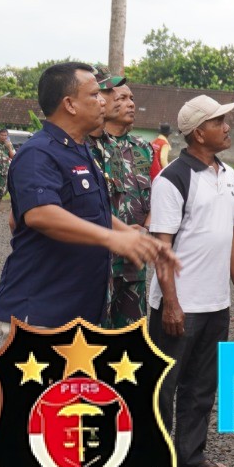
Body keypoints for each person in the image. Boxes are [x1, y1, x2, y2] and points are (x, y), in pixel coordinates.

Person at [0, 62, 174, 467]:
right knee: (12, 411)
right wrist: (111, 239)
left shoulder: (80, 151)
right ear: (69, 103)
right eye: (95, 93)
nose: (105, 100)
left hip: (77, 309)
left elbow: (96, 213)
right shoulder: (38, 154)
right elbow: (40, 214)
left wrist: (134, 235)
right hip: (39, 305)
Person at [148, 95, 234, 467]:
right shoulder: (172, 178)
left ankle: (190, 457)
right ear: (197, 132)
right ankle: (155, 464)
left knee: (203, 385)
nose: (227, 127)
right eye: (218, 122)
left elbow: (233, 236)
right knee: (164, 385)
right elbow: (162, 246)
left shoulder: (228, 174)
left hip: (215, 303)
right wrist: (171, 303)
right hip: (180, 302)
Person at [89, 75, 155, 327]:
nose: (131, 104)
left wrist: (146, 229)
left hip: (132, 261)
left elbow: (157, 194)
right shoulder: (86, 147)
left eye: (131, 98)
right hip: (99, 260)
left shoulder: (143, 148)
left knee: (130, 336)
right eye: (122, 98)